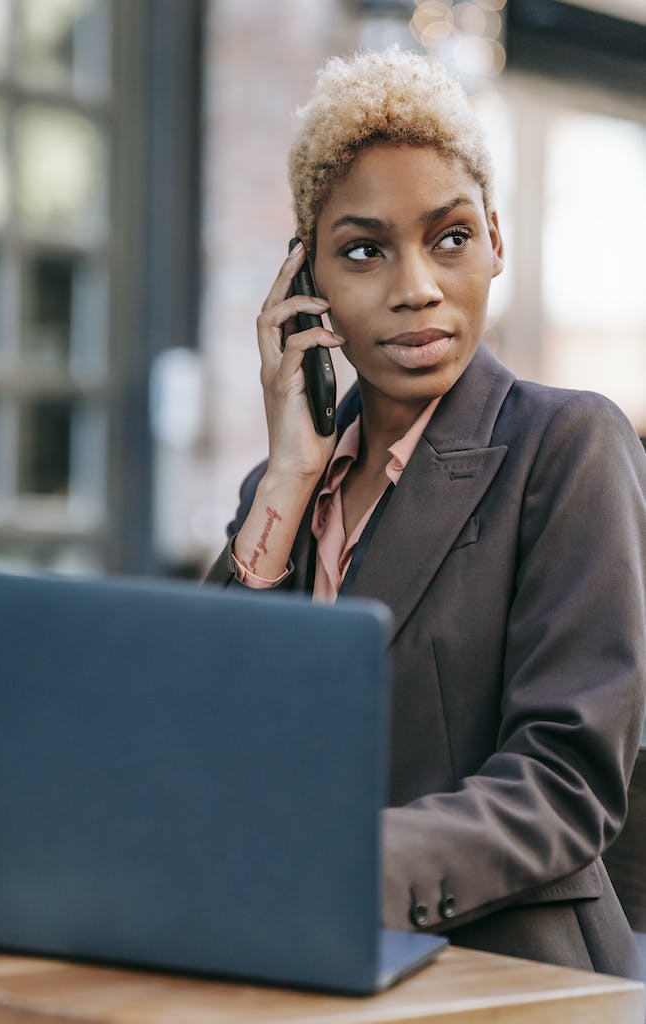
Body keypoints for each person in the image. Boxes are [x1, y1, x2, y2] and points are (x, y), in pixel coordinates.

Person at [206, 48, 646, 979]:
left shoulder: (565, 447)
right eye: (364, 250)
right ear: (304, 281)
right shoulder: (275, 495)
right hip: (288, 960)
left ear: (494, 238)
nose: (416, 286)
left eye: (448, 237)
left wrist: (331, 869)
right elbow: (207, 741)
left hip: (505, 973)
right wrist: (288, 476)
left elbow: (565, 781)